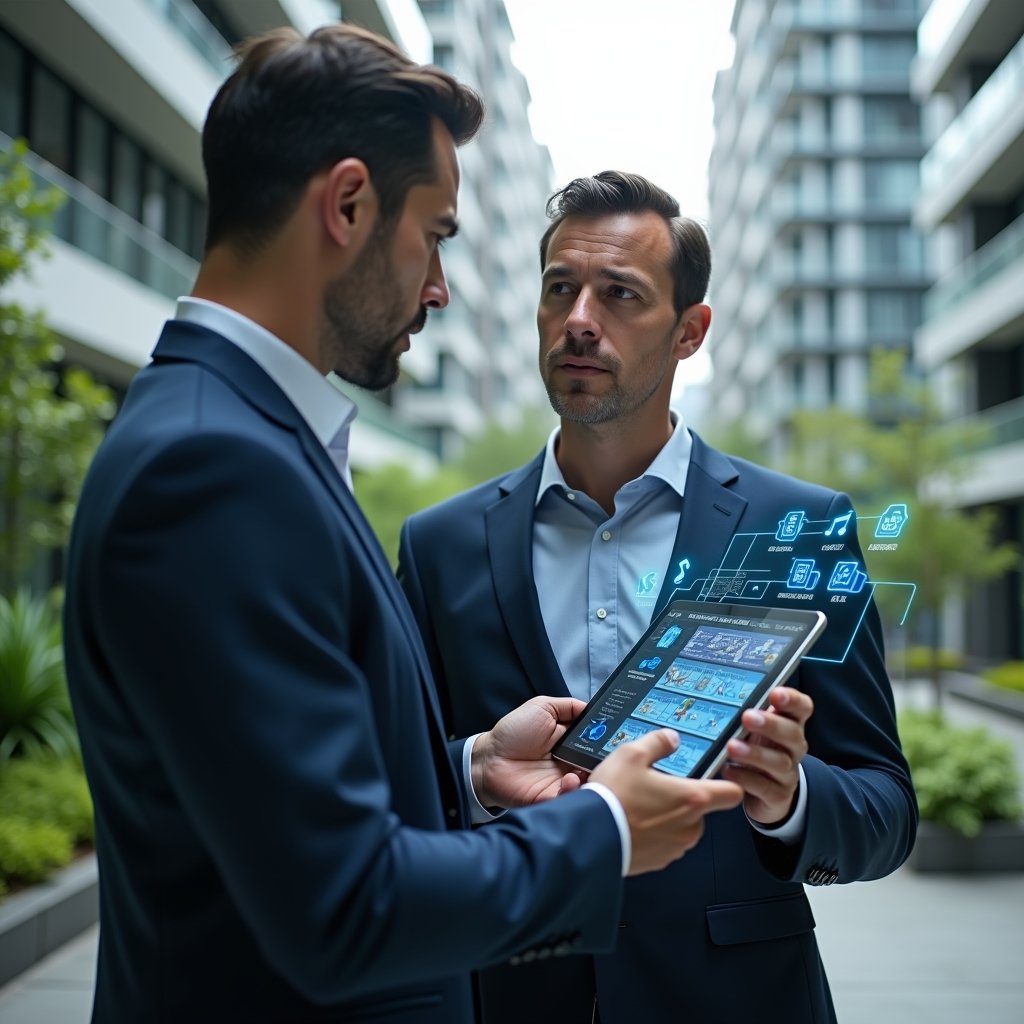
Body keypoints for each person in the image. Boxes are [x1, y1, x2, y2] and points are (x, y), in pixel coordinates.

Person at [62, 36, 744, 1024]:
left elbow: (267, 789)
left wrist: (469, 770)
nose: (439, 286)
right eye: (433, 235)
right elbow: (340, 905)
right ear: (346, 207)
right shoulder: (214, 466)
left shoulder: (242, 435)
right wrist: (602, 826)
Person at [398, 170, 919, 1024]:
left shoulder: (802, 526)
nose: (578, 318)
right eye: (559, 288)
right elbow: (391, 777)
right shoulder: (441, 543)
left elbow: (886, 810)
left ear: (690, 331)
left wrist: (788, 799)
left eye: (620, 294)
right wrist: (479, 774)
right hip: (507, 994)